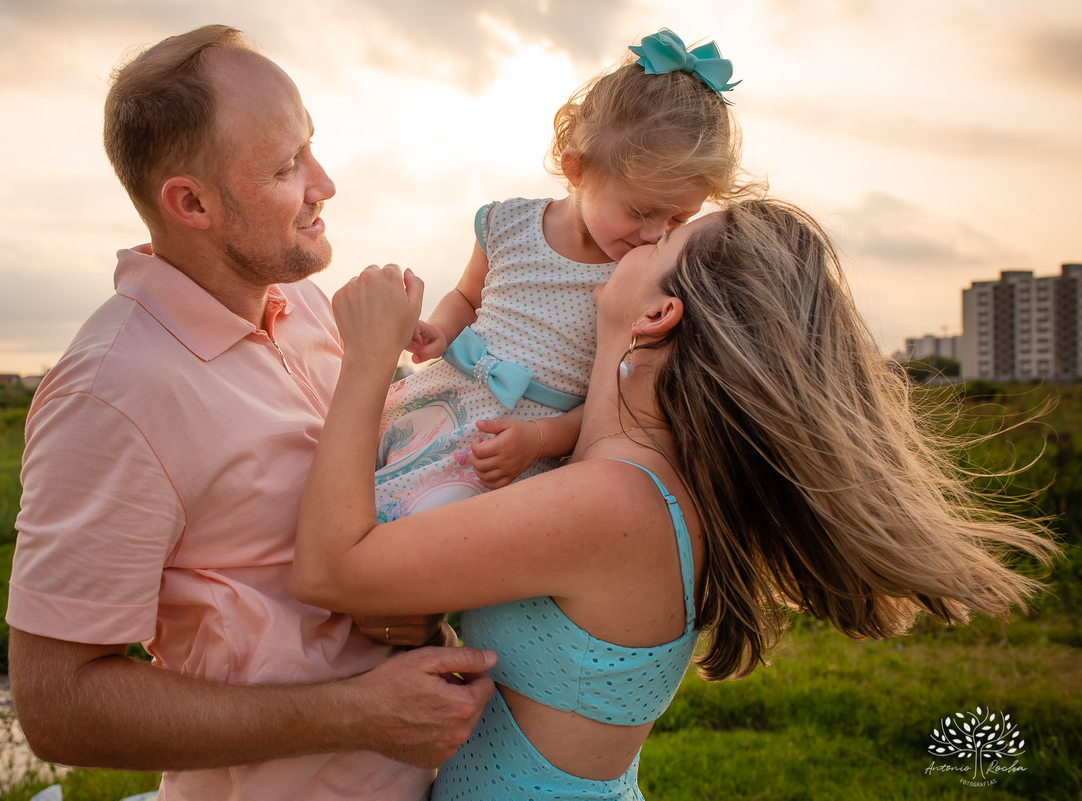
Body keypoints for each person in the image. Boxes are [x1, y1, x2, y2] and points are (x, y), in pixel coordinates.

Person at [293, 199, 1058, 800]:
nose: (636, 237)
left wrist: (368, 359)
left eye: (661, 242)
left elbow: (332, 568)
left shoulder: (610, 502)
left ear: (659, 316)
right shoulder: (635, 476)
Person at [5, 25, 495, 801]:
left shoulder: (305, 306)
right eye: (285, 166)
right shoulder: (108, 395)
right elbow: (57, 704)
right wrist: (354, 713)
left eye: (311, 147)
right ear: (190, 202)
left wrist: (398, 606)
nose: (324, 182)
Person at [374, 29, 745, 524]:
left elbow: (610, 401)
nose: (656, 234)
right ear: (577, 169)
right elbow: (467, 295)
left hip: (523, 441)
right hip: (441, 401)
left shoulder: (640, 278)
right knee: (361, 494)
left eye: (678, 220)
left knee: (424, 545)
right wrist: (440, 329)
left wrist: (542, 440)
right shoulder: (507, 224)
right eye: (640, 210)